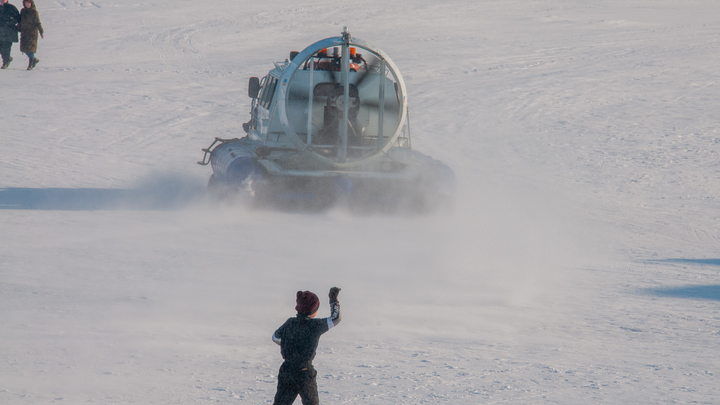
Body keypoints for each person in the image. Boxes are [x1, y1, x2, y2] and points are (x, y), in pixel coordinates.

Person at [272, 287, 341, 405]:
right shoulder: (315, 325)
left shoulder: (290, 322)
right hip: (304, 373)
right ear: (313, 310)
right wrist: (333, 300)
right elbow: (336, 318)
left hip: (287, 370)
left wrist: (288, 345)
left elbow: (275, 337)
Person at [19, 0, 41, 70]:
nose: (27, 4)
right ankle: (34, 59)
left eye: (29, 3)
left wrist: (41, 31)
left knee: (30, 48)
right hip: (24, 32)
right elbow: (20, 20)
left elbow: (37, 22)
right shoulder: (23, 11)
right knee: (24, 48)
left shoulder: (34, 12)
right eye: (26, 3)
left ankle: (31, 64)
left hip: (32, 33)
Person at [0, 0, 20, 69]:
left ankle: (6, 62)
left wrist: (11, 21)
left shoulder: (11, 8)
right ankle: (7, 58)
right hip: (0, 31)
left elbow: (17, 18)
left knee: (6, 48)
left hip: (9, 32)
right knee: (1, 48)